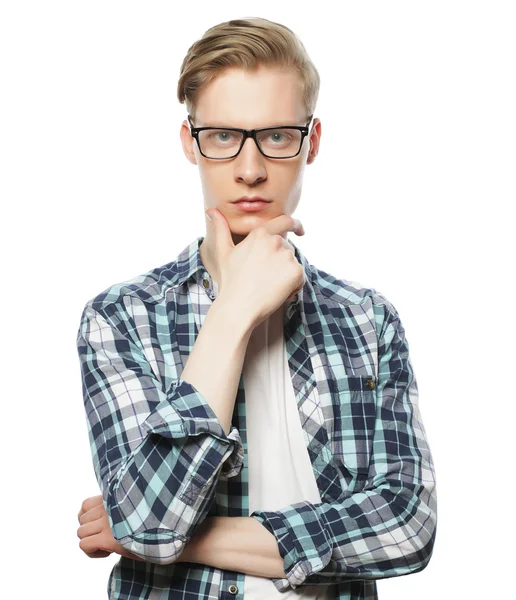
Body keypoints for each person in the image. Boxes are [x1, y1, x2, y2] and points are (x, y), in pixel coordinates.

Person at [75, 16, 437, 600]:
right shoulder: (122, 319)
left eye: (276, 136)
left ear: (311, 141)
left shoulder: (368, 321)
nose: (250, 168)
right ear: (191, 143)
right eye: (223, 137)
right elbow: (151, 521)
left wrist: (166, 537)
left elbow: (406, 527)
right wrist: (234, 310)